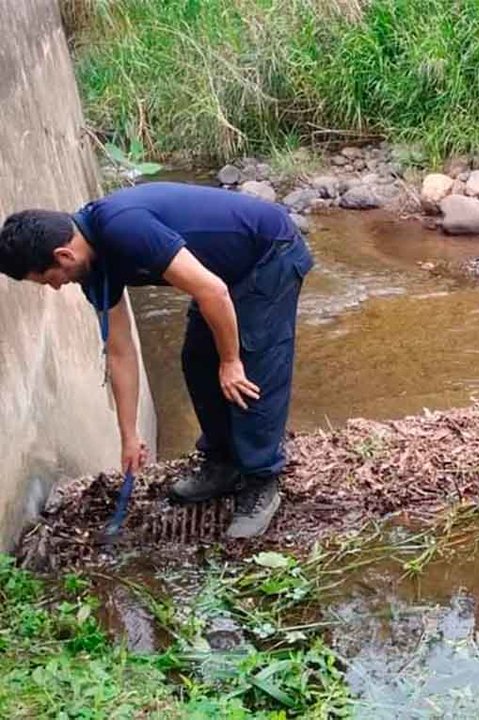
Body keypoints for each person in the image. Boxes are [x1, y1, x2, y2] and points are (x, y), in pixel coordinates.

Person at [0, 181, 314, 538]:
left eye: (48, 280)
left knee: (252, 362)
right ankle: (224, 463)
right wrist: (129, 434)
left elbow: (212, 290)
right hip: (222, 274)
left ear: (63, 256)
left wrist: (230, 360)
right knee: (197, 361)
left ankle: (261, 481)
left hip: (268, 253)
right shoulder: (95, 272)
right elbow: (120, 351)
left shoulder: (124, 227)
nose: (56, 287)